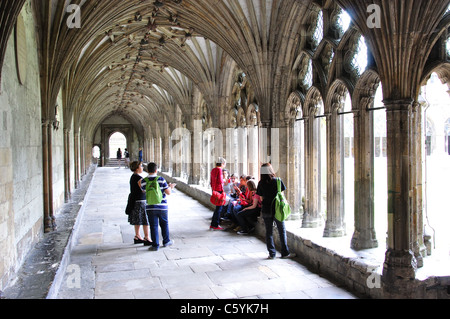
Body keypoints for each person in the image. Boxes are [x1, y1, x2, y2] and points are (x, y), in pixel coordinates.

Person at [256, 163, 295, 259]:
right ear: (271, 170)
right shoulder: (278, 181)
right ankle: (285, 253)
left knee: (269, 232)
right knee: (281, 231)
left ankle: (272, 254)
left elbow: (261, 198)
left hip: (266, 209)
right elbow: (282, 196)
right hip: (278, 209)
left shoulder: (260, 183)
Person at [139, 162, 176, 251]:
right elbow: (168, 192)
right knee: (164, 224)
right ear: (156, 170)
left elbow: (143, 190)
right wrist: (170, 187)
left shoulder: (144, 181)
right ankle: (166, 241)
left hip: (150, 207)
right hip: (162, 206)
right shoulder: (161, 179)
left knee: (153, 226)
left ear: (147, 170)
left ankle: (155, 245)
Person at [128, 161, 151, 246]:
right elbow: (143, 189)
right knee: (145, 219)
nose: (142, 167)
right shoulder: (139, 178)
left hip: (135, 201)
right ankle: (147, 237)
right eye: (141, 166)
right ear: (137, 168)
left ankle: (137, 236)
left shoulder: (133, 177)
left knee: (138, 219)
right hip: (140, 202)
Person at [210, 157, 227, 230]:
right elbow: (220, 181)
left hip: (214, 190)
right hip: (219, 190)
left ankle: (213, 224)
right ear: (222, 163)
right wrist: (225, 179)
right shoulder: (219, 170)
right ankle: (215, 225)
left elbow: (211, 181)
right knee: (219, 209)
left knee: (217, 208)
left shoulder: (213, 170)